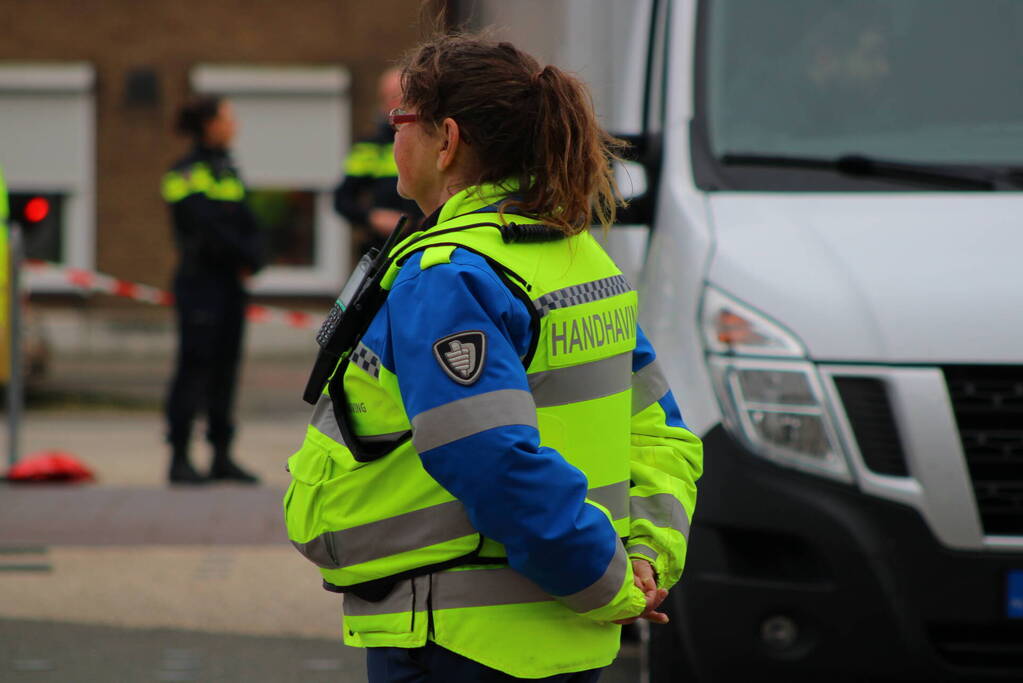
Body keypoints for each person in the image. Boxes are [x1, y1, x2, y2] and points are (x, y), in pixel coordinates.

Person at [284, 34, 702, 681]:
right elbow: (659, 431)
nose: (393, 138)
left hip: (457, 638)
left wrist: (604, 582)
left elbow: (491, 460)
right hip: (565, 638)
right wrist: (644, 557)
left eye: (400, 121)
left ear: (445, 140)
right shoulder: (577, 255)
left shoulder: (451, 274)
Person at [160, 95, 264, 485]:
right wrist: (245, 255)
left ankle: (221, 455)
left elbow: (248, 222)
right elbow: (205, 228)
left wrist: (256, 257)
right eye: (227, 118)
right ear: (209, 124)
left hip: (230, 285)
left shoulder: (228, 170)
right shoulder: (184, 172)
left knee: (226, 369)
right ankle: (179, 457)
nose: (234, 125)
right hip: (200, 283)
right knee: (194, 368)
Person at [333, 67, 422, 256]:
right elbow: (342, 199)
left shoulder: (429, 142)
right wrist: (372, 217)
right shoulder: (369, 147)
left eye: (405, 95)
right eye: (392, 96)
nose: (399, 102)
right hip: (381, 248)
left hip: (423, 242)